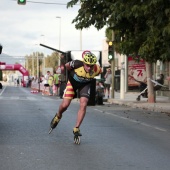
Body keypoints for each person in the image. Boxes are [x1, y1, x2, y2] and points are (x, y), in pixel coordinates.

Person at [49, 51, 102, 140]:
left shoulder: (97, 69)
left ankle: (76, 128)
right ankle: (58, 115)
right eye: (87, 65)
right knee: (65, 105)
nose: (89, 68)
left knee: (84, 104)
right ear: (84, 63)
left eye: (91, 66)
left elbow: (100, 72)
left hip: (84, 85)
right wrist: (70, 74)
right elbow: (66, 65)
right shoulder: (77, 63)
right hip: (72, 84)